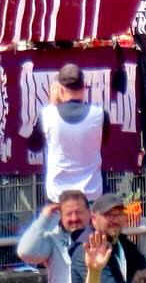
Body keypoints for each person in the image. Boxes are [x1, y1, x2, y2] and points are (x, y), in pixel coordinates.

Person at [33, 64, 108, 204]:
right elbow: (104, 142)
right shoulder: (100, 114)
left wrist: (51, 105)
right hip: (91, 195)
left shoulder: (48, 115)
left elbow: (34, 145)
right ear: (84, 86)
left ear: (60, 89)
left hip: (58, 198)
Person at [17, 191, 92, 283]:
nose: (74, 218)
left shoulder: (99, 236)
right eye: (69, 214)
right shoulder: (53, 238)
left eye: (79, 212)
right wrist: (43, 219)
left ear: (89, 212)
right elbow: (25, 253)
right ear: (61, 216)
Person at [77, 194, 146, 283]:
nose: (115, 220)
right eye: (109, 215)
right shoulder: (87, 250)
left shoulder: (124, 243)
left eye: (119, 214)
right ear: (93, 219)